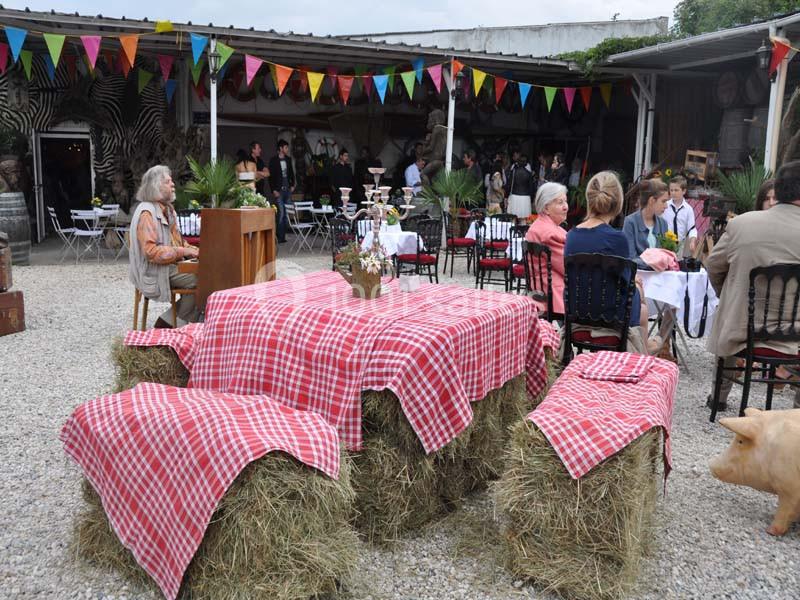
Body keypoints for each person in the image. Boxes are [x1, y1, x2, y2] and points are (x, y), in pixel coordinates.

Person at [705, 160, 800, 412]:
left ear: (777, 192)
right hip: (795, 334)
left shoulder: (742, 224)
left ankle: (719, 396)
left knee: (730, 306)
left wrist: (729, 293)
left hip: (742, 328)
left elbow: (713, 265)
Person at [564, 171, 660, 355]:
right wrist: (637, 285)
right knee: (641, 302)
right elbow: (624, 284)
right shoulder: (617, 239)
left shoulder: (572, 236)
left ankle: (645, 349)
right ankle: (642, 352)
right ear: (617, 203)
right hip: (610, 315)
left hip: (577, 312)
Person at [129, 165, 199, 328]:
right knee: (201, 279)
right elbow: (151, 253)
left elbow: (179, 243)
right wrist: (183, 251)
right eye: (168, 182)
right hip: (153, 271)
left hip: (168, 267)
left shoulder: (168, 210)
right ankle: (172, 324)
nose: (173, 184)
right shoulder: (147, 214)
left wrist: (197, 251)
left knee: (209, 273)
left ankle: (171, 321)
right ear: (156, 186)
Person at [525, 182, 568, 315]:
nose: (566, 207)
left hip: (539, 287)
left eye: (566, 201)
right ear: (546, 208)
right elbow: (568, 267)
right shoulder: (550, 233)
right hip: (553, 291)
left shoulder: (540, 226)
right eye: (560, 202)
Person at [622, 178, 670, 270]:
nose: (666, 206)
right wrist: (654, 263)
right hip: (637, 279)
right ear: (652, 200)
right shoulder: (630, 222)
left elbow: (666, 256)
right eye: (663, 201)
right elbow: (629, 259)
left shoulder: (663, 224)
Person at [268, 139, 295, 244]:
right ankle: (279, 236)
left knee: (286, 214)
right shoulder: (273, 160)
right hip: (278, 191)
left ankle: (283, 236)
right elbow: (271, 177)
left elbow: (292, 173)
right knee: (281, 213)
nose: (287, 149)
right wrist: (273, 190)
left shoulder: (288, 159)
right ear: (280, 148)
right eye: (286, 147)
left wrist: (292, 185)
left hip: (287, 190)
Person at [666, 175, 698, 256]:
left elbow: (692, 228)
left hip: (679, 245)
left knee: (676, 265)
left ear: (684, 191)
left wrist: (692, 241)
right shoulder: (665, 206)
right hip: (665, 242)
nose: (673, 193)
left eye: (676, 190)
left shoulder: (688, 209)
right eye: (671, 190)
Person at [506, 154, 534, 218]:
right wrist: (531, 200)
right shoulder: (529, 174)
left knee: (512, 219)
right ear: (526, 164)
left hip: (514, 196)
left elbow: (509, 185)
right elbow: (531, 188)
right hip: (525, 198)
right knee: (524, 220)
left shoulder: (513, 172)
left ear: (518, 163)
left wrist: (506, 196)